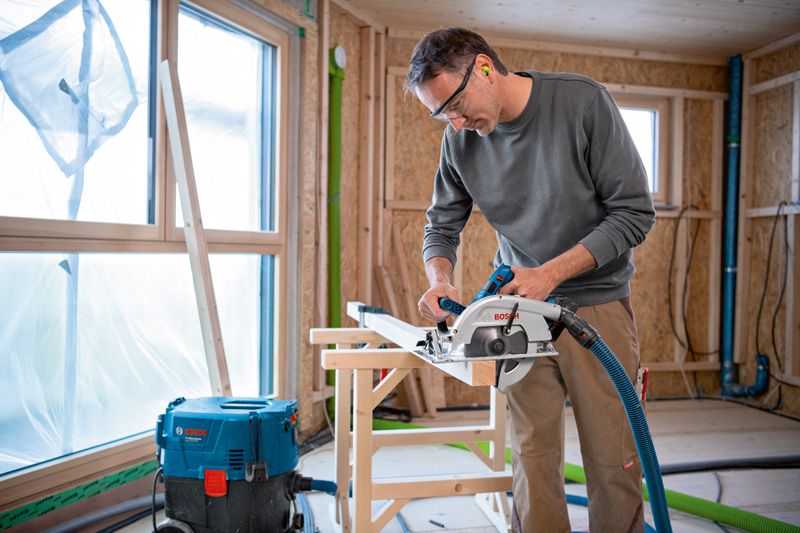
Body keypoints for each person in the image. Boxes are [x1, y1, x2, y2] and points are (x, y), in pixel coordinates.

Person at [406, 28, 656, 532]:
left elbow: (634, 214)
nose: (454, 122)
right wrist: (440, 277)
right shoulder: (459, 138)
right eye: (440, 114)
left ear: (482, 68)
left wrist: (550, 274)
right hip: (518, 314)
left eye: (454, 104)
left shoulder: (582, 103)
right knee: (531, 455)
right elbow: (442, 223)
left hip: (597, 304)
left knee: (612, 459)